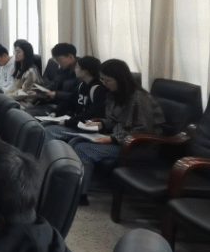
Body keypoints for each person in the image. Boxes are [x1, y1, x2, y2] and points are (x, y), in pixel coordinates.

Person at [67, 59, 165, 197]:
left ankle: (79, 194)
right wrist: (101, 124)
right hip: (120, 139)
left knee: (84, 149)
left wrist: (112, 138)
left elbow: (143, 130)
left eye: (107, 80)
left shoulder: (140, 98)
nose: (104, 83)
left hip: (137, 146)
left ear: (120, 78)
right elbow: (114, 121)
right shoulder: (114, 94)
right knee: (74, 141)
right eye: (102, 79)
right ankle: (78, 184)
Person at [44, 56, 107, 140]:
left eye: (77, 67)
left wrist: (68, 122)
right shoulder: (81, 85)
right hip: (76, 122)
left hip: (87, 127)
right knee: (45, 124)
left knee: (48, 130)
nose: (75, 69)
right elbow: (69, 101)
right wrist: (56, 112)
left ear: (85, 71)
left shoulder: (98, 89)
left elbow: (92, 113)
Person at [27, 43, 80, 116]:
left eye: (59, 59)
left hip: (68, 109)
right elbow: (55, 84)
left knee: (27, 114)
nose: (58, 63)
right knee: (22, 113)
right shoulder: (63, 69)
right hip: (56, 105)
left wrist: (56, 94)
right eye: (56, 60)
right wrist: (42, 91)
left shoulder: (81, 72)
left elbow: (76, 96)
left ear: (70, 57)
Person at [4, 41, 44, 106]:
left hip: (26, 102)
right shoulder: (20, 69)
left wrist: (6, 97)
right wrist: (4, 94)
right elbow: (14, 87)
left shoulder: (30, 71)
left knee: (3, 105)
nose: (16, 54)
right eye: (15, 51)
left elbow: (23, 93)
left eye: (18, 52)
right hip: (17, 99)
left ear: (26, 53)